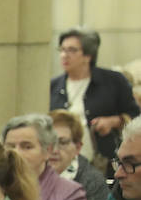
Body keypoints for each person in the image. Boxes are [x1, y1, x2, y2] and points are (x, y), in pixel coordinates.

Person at [49, 27, 140, 169]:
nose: (64, 55)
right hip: (61, 162)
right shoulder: (53, 86)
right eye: (62, 49)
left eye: (71, 50)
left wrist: (114, 121)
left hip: (103, 162)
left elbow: (136, 116)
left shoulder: (114, 81)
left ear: (88, 55)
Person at [48, 109, 109, 200]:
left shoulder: (93, 183)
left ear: (78, 147)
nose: (54, 150)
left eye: (62, 142)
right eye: (49, 142)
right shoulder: (30, 175)